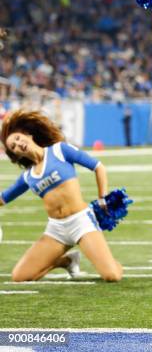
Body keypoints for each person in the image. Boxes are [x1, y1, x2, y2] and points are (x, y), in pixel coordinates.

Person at [0, 110, 123, 282]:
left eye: (18, 138)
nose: (18, 144)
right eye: (13, 146)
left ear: (28, 135)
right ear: (16, 155)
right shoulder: (27, 177)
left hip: (81, 222)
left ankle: (107, 260)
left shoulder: (59, 150)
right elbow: (3, 198)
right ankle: (66, 261)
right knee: (20, 276)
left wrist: (102, 197)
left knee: (112, 276)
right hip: (56, 230)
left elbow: (98, 167)